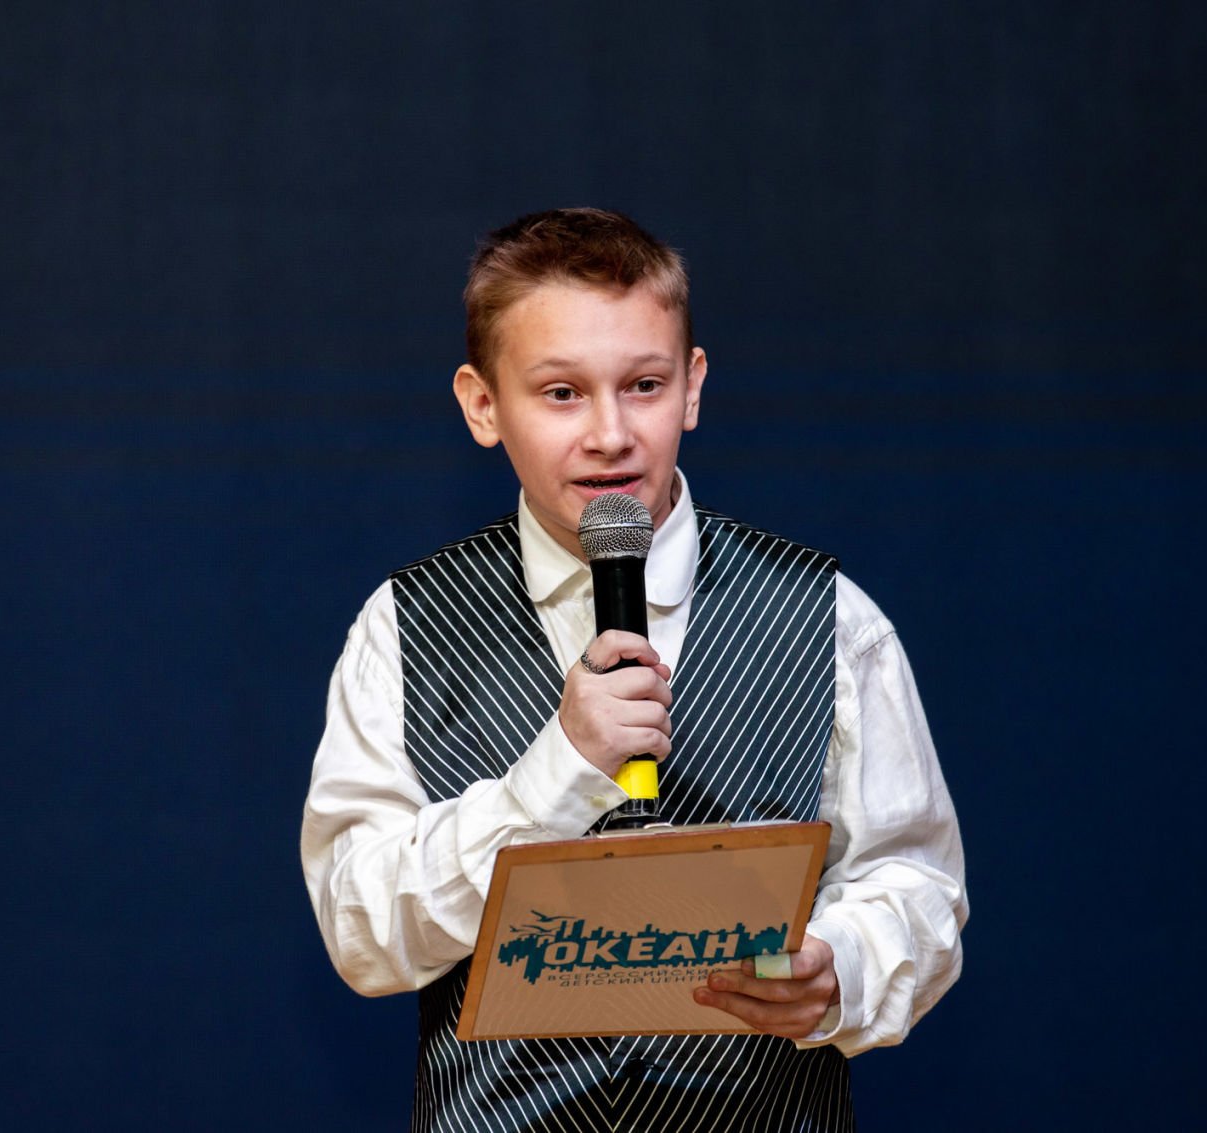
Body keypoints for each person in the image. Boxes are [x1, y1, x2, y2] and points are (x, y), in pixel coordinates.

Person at [301, 207, 967, 1131]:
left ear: (692, 388)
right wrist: (554, 777)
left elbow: (919, 887)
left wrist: (841, 966)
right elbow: (360, 928)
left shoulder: (829, 620)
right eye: (562, 393)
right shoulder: (406, 626)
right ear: (483, 404)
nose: (610, 433)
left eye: (644, 385)